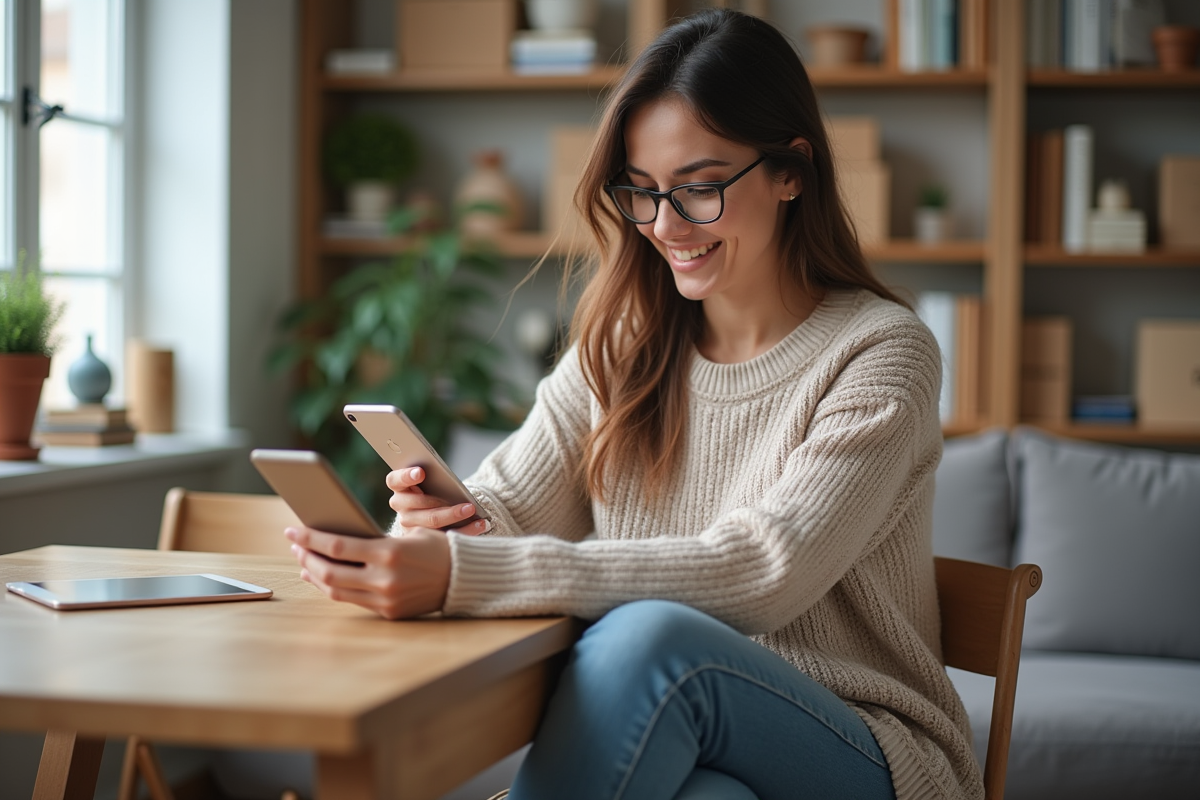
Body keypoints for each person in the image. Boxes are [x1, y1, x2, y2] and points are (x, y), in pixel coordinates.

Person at [287, 9, 982, 800]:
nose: (665, 226)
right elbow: (509, 506)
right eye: (642, 193)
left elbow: (762, 571)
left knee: (651, 637)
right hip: (703, 742)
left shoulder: (882, 350)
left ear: (793, 171)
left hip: (866, 746)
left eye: (700, 188)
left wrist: (463, 577)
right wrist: (442, 525)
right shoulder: (625, 340)